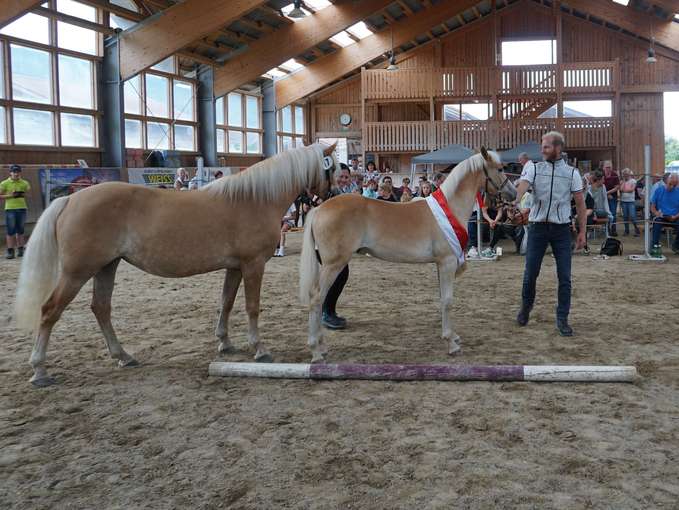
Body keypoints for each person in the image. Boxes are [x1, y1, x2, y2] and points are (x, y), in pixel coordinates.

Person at [514, 131, 586, 337]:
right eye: (542, 146)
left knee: (565, 277)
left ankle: (562, 318)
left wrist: (582, 232)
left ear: (557, 148)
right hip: (537, 228)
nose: (542, 150)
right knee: (530, 274)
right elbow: (523, 187)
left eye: (546, 146)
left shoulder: (572, 173)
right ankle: (525, 308)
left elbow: (580, 204)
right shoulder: (534, 169)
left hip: (562, 230)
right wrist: (514, 198)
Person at [322, 163, 353, 330]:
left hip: (338, 241)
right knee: (337, 274)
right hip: (325, 241)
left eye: (346, 177)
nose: (343, 179)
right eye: (340, 176)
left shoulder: (345, 194)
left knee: (340, 274)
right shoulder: (329, 193)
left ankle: (329, 311)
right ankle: (326, 312)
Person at [1, 165, 31, 259]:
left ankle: (20, 249)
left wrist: (21, 194)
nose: (16, 173)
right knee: (11, 230)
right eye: (14, 172)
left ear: (20, 172)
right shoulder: (4, 183)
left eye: (18, 172)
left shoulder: (24, 183)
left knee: (20, 230)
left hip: (22, 208)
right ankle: (10, 251)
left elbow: (29, 194)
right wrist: (11, 195)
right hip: (10, 209)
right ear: (10, 173)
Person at [650, 173, 679, 254]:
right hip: (661, 216)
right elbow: (652, 207)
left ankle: (676, 246)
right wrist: (656, 213)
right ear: (667, 181)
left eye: (675, 184)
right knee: (656, 224)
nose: (672, 186)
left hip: (675, 217)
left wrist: (675, 216)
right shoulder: (658, 190)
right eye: (671, 183)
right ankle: (654, 247)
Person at [619, 168, 640, 237]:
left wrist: (625, 190)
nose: (626, 176)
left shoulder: (633, 181)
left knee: (632, 216)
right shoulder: (622, 181)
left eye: (627, 174)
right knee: (625, 217)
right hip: (623, 201)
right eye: (624, 174)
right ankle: (626, 230)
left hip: (631, 201)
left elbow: (632, 189)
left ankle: (636, 229)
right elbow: (621, 189)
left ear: (629, 174)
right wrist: (624, 182)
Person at [602, 161, 620, 236]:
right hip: (603, 197)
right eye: (607, 167)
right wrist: (606, 195)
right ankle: (607, 230)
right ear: (603, 167)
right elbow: (599, 185)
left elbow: (617, 187)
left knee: (613, 213)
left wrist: (607, 193)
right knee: (605, 213)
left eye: (609, 167)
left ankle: (613, 230)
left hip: (613, 197)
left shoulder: (614, 175)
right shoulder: (601, 174)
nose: (608, 169)